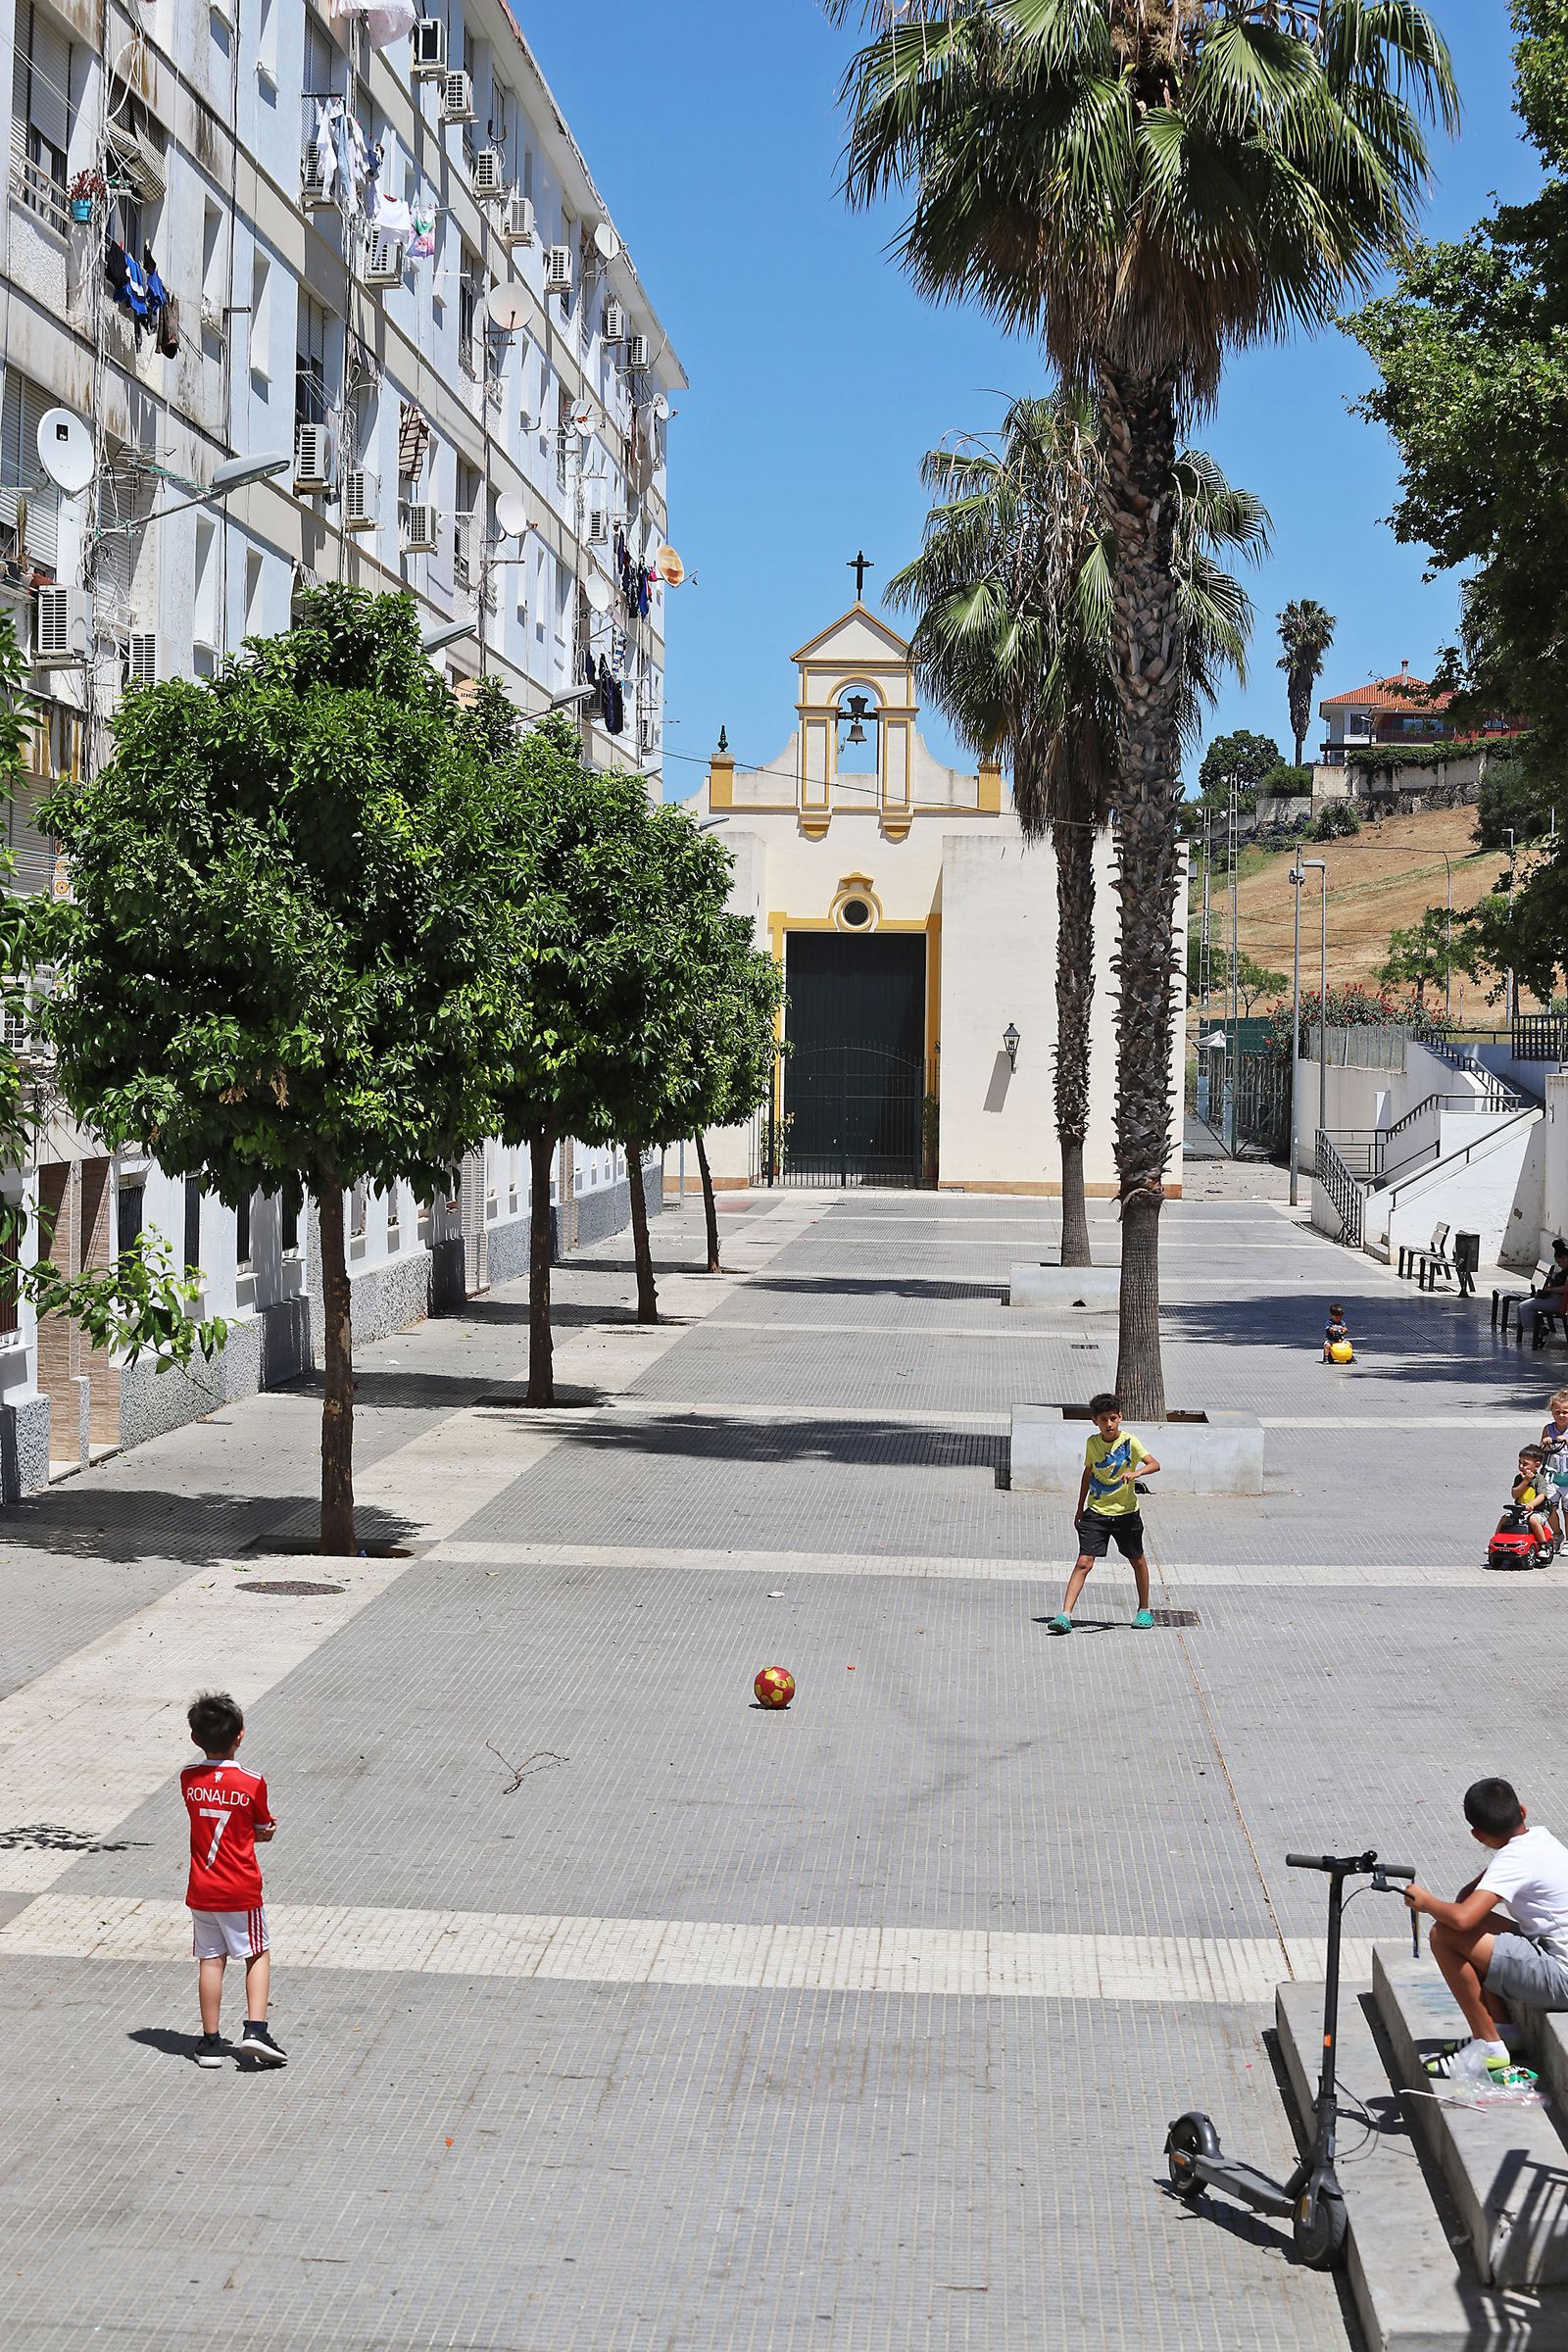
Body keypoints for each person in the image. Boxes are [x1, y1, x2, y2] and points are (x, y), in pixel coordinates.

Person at [1404, 1777, 1568, 2082]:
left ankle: (1490, 2046)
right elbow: (1467, 1902)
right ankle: (1504, 2032)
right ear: (1522, 1810)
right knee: (1469, 1926)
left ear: (1477, 1834)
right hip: (1552, 1955)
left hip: (1562, 1979)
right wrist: (1496, 1866)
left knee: (1443, 1935)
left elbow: (1462, 1918)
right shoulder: (1540, 1839)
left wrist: (1426, 1903)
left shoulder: (1514, 1858)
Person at [181, 1690, 287, 2069]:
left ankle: (209, 2042)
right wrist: (265, 1832)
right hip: (240, 1887)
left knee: (211, 1959)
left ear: (196, 1738)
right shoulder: (252, 1781)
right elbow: (260, 1826)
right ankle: (256, 2030)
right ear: (239, 1735)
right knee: (257, 1952)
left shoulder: (189, 1779)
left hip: (202, 1887)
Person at [1050, 1391, 1161, 1635]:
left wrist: (1137, 1473)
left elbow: (1154, 1463)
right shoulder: (1092, 1443)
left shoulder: (1130, 1442)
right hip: (1097, 1513)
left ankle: (1144, 1609)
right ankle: (1065, 1615)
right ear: (1095, 1421)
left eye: (1112, 1418)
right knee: (1083, 1562)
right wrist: (1079, 1508)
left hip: (1126, 1513)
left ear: (1120, 1417)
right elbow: (1087, 1474)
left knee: (1137, 1559)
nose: (1108, 1424)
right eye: (1103, 1420)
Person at [1498, 1444, 1554, 1552]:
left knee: (1532, 1520)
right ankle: (1496, 1540)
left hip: (1538, 1511)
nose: (1521, 1466)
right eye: (1520, 1463)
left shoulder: (1539, 1479)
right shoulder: (1519, 1478)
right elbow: (1515, 1494)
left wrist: (1532, 1505)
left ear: (1536, 1465)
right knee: (1505, 1517)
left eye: (1525, 1464)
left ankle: (1543, 1545)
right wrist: (1525, 1481)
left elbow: (1542, 1496)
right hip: (1520, 1510)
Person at [1517, 1236, 1568, 1346]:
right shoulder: (1564, 1270)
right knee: (1521, 1307)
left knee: (1525, 1307)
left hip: (1559, 1302)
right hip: (1554, 1298)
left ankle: (1540, 1331)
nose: (1559, 1265)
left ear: (1565, 1258)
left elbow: (1565, 1288)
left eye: (1559, 1262)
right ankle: (1540, 1330)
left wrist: (1550, 1289)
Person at [1541, 1389, 1568, 1542]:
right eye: (1558, 1412)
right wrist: (1545, 1443)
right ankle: (1557, 1533)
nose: (1561, 1415)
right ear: (1552, 1412)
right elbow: (1541, 1454)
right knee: (1548, 1506)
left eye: (1565, 1412)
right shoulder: (1548, 1429)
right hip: (1553, 1478)